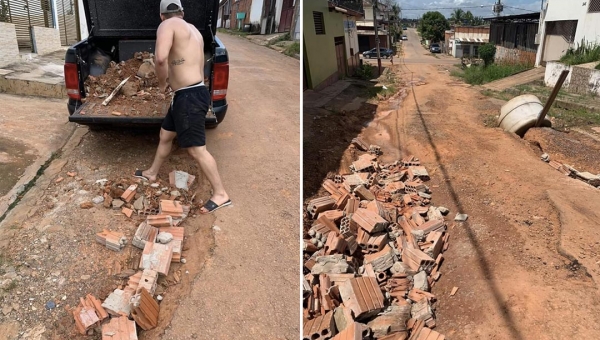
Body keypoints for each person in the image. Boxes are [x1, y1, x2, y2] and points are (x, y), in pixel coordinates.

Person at [135, 0, 230, 214]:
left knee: (197, 150)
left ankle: (221, 194)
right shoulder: (193, 30)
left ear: (161, 16)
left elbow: (160, 59)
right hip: (191, 93)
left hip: (188, 96)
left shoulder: (166, 26)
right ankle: (152, 172)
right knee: (166, 134)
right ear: (182, 12)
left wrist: (161, 85)